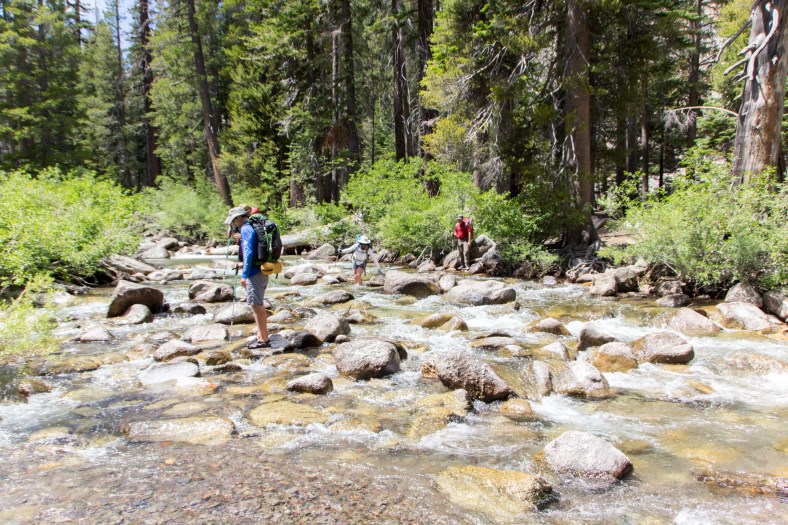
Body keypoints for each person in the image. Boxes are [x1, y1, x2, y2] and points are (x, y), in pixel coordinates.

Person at [225, 205, 270, 349]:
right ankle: (260, 335)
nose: (233, 224)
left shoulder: (246, 228)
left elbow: (248, 251)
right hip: (260, 269)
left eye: (233, 220)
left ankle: (264, 338)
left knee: (257, 305)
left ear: (238, 218)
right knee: (255, 304)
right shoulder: (251, 226)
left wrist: (244, 273)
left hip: (254, 271)